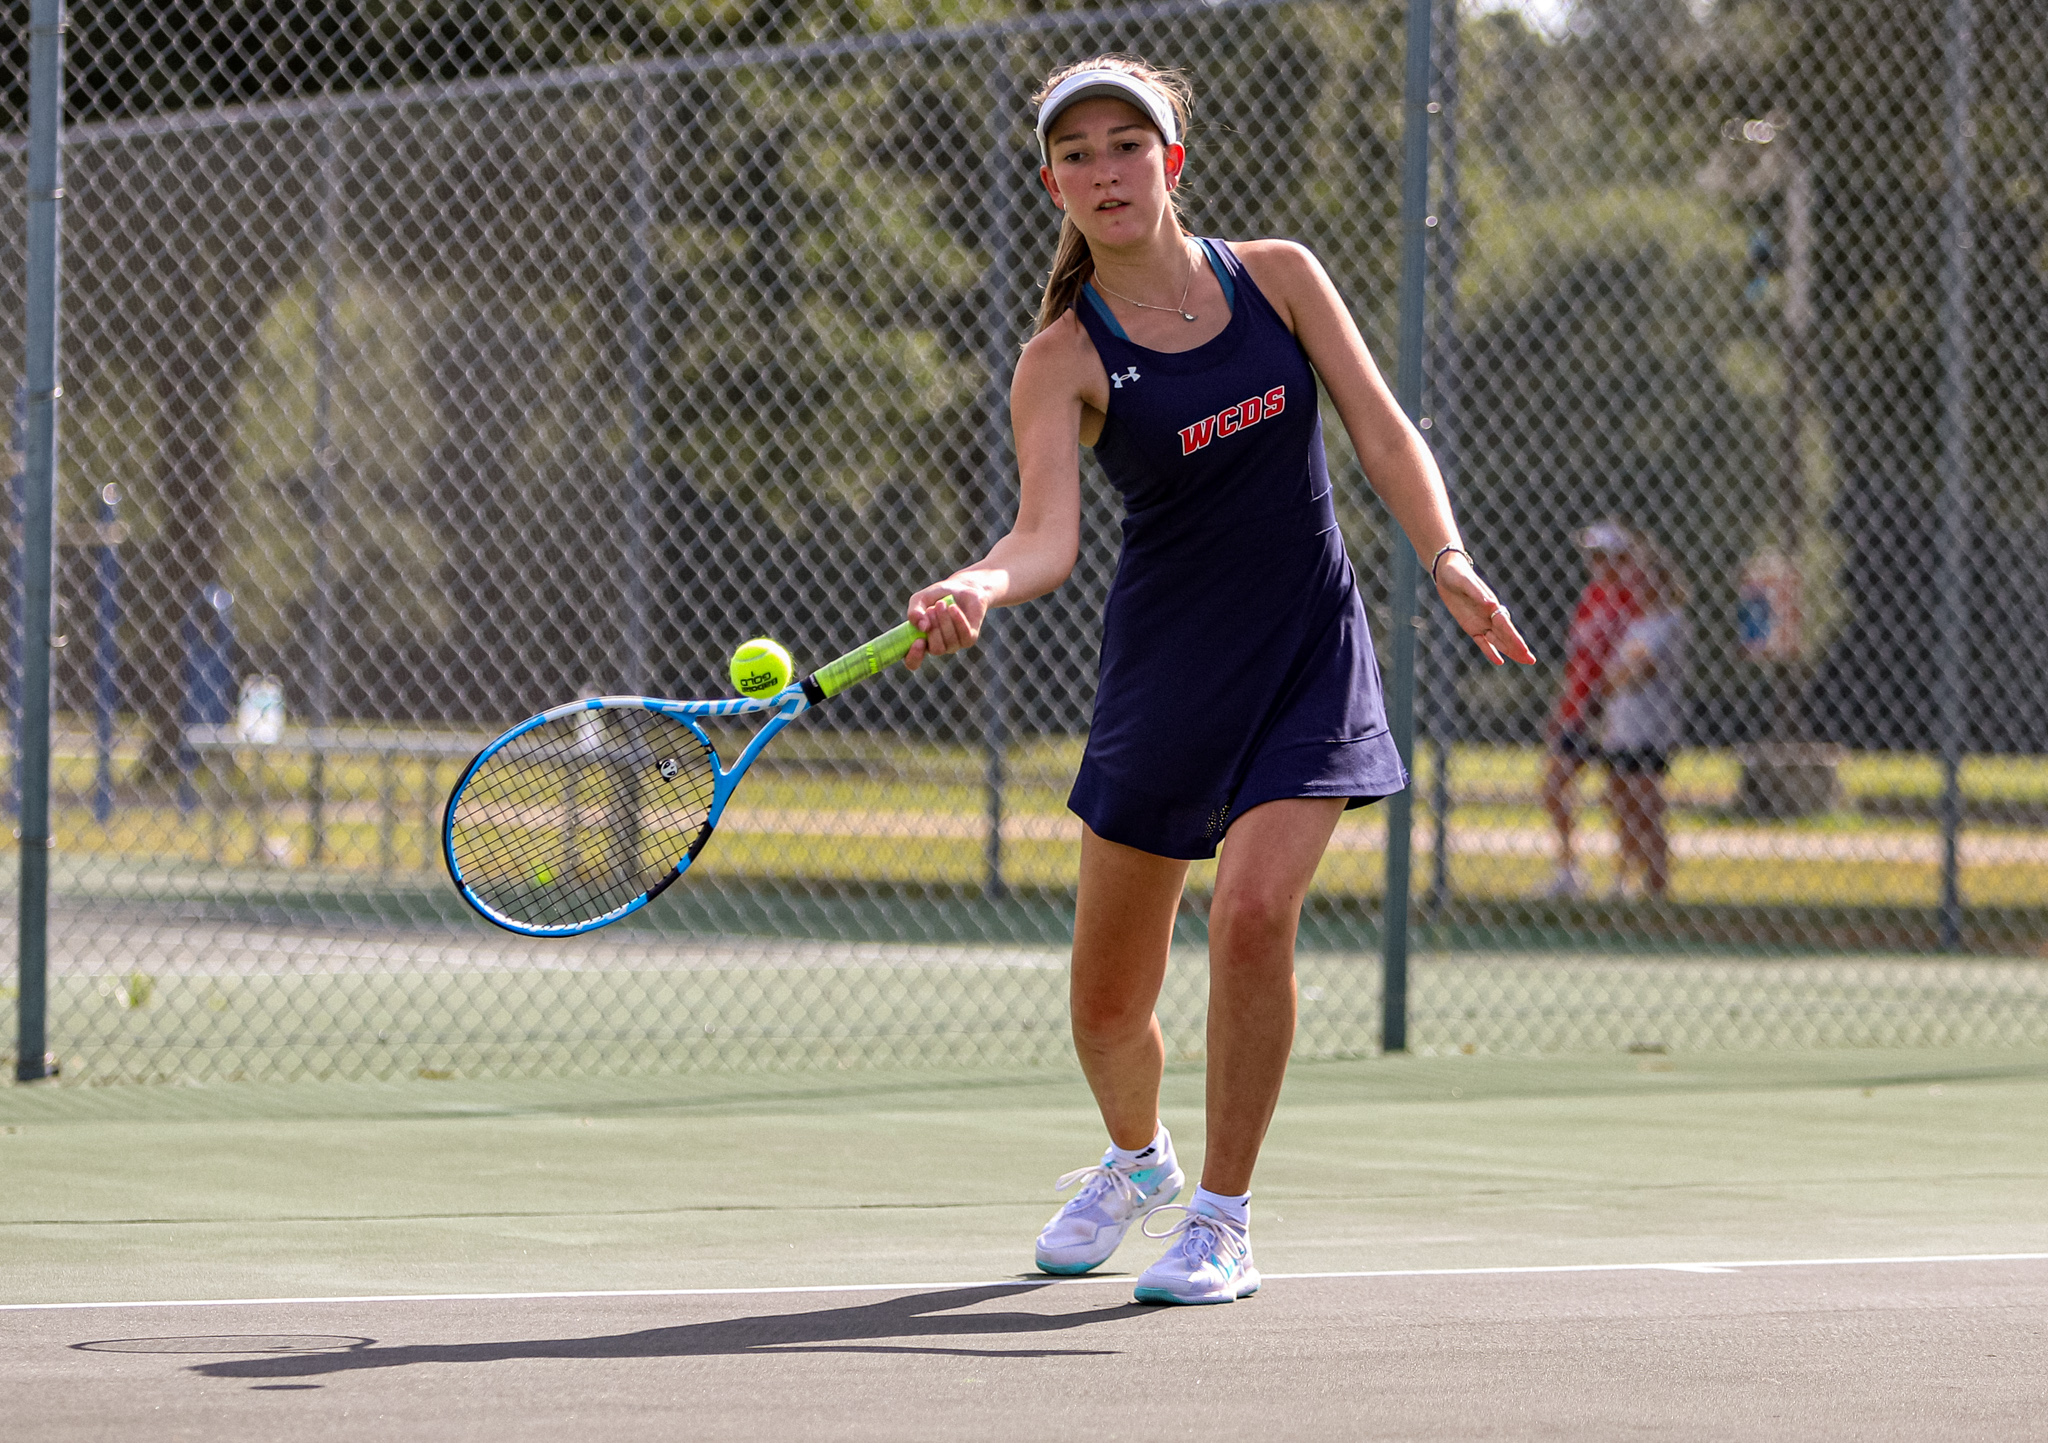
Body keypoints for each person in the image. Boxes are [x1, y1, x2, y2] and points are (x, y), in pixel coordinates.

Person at [902, 55, 1533, 1305]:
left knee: (1252, 916)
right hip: (1164, 681)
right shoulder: (1059, 358)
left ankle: (1222, 1220)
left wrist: (1444, 557)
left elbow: (1379, 425)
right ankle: (1137, 1163)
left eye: (1123, 144)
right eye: (1074, 153)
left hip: (1305, 651)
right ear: (1054, 188)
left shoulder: (1279, 278)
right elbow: (1046, 536)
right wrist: (980, 581)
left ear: (1169, 161)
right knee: (1102, 1013)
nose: (1102, 168)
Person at [1539, 521, 1640, 898]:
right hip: (1582, 711)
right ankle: (1569, 871)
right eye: (1593, 556)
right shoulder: (1591, 596)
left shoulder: (1633, 602)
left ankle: (1623, 878)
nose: (1597, 563)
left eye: (1605, 556)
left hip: (1614, 710)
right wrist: (1562, 708)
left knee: (1620, 795)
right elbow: (1578, 661)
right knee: (1553, 786)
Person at [1601, 540, 1688, 898]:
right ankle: (1625, 876)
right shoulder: (1635, 625)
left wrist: (1623, 671)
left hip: (1652, 729)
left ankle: (1658, 882)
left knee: (1648, 804)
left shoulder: (1672, 623)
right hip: (1621, 727)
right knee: (1619, 800)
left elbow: (1640, 670)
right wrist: (1622, 671)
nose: (1639, 588)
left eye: (1647, 580)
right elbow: (1613, 675)